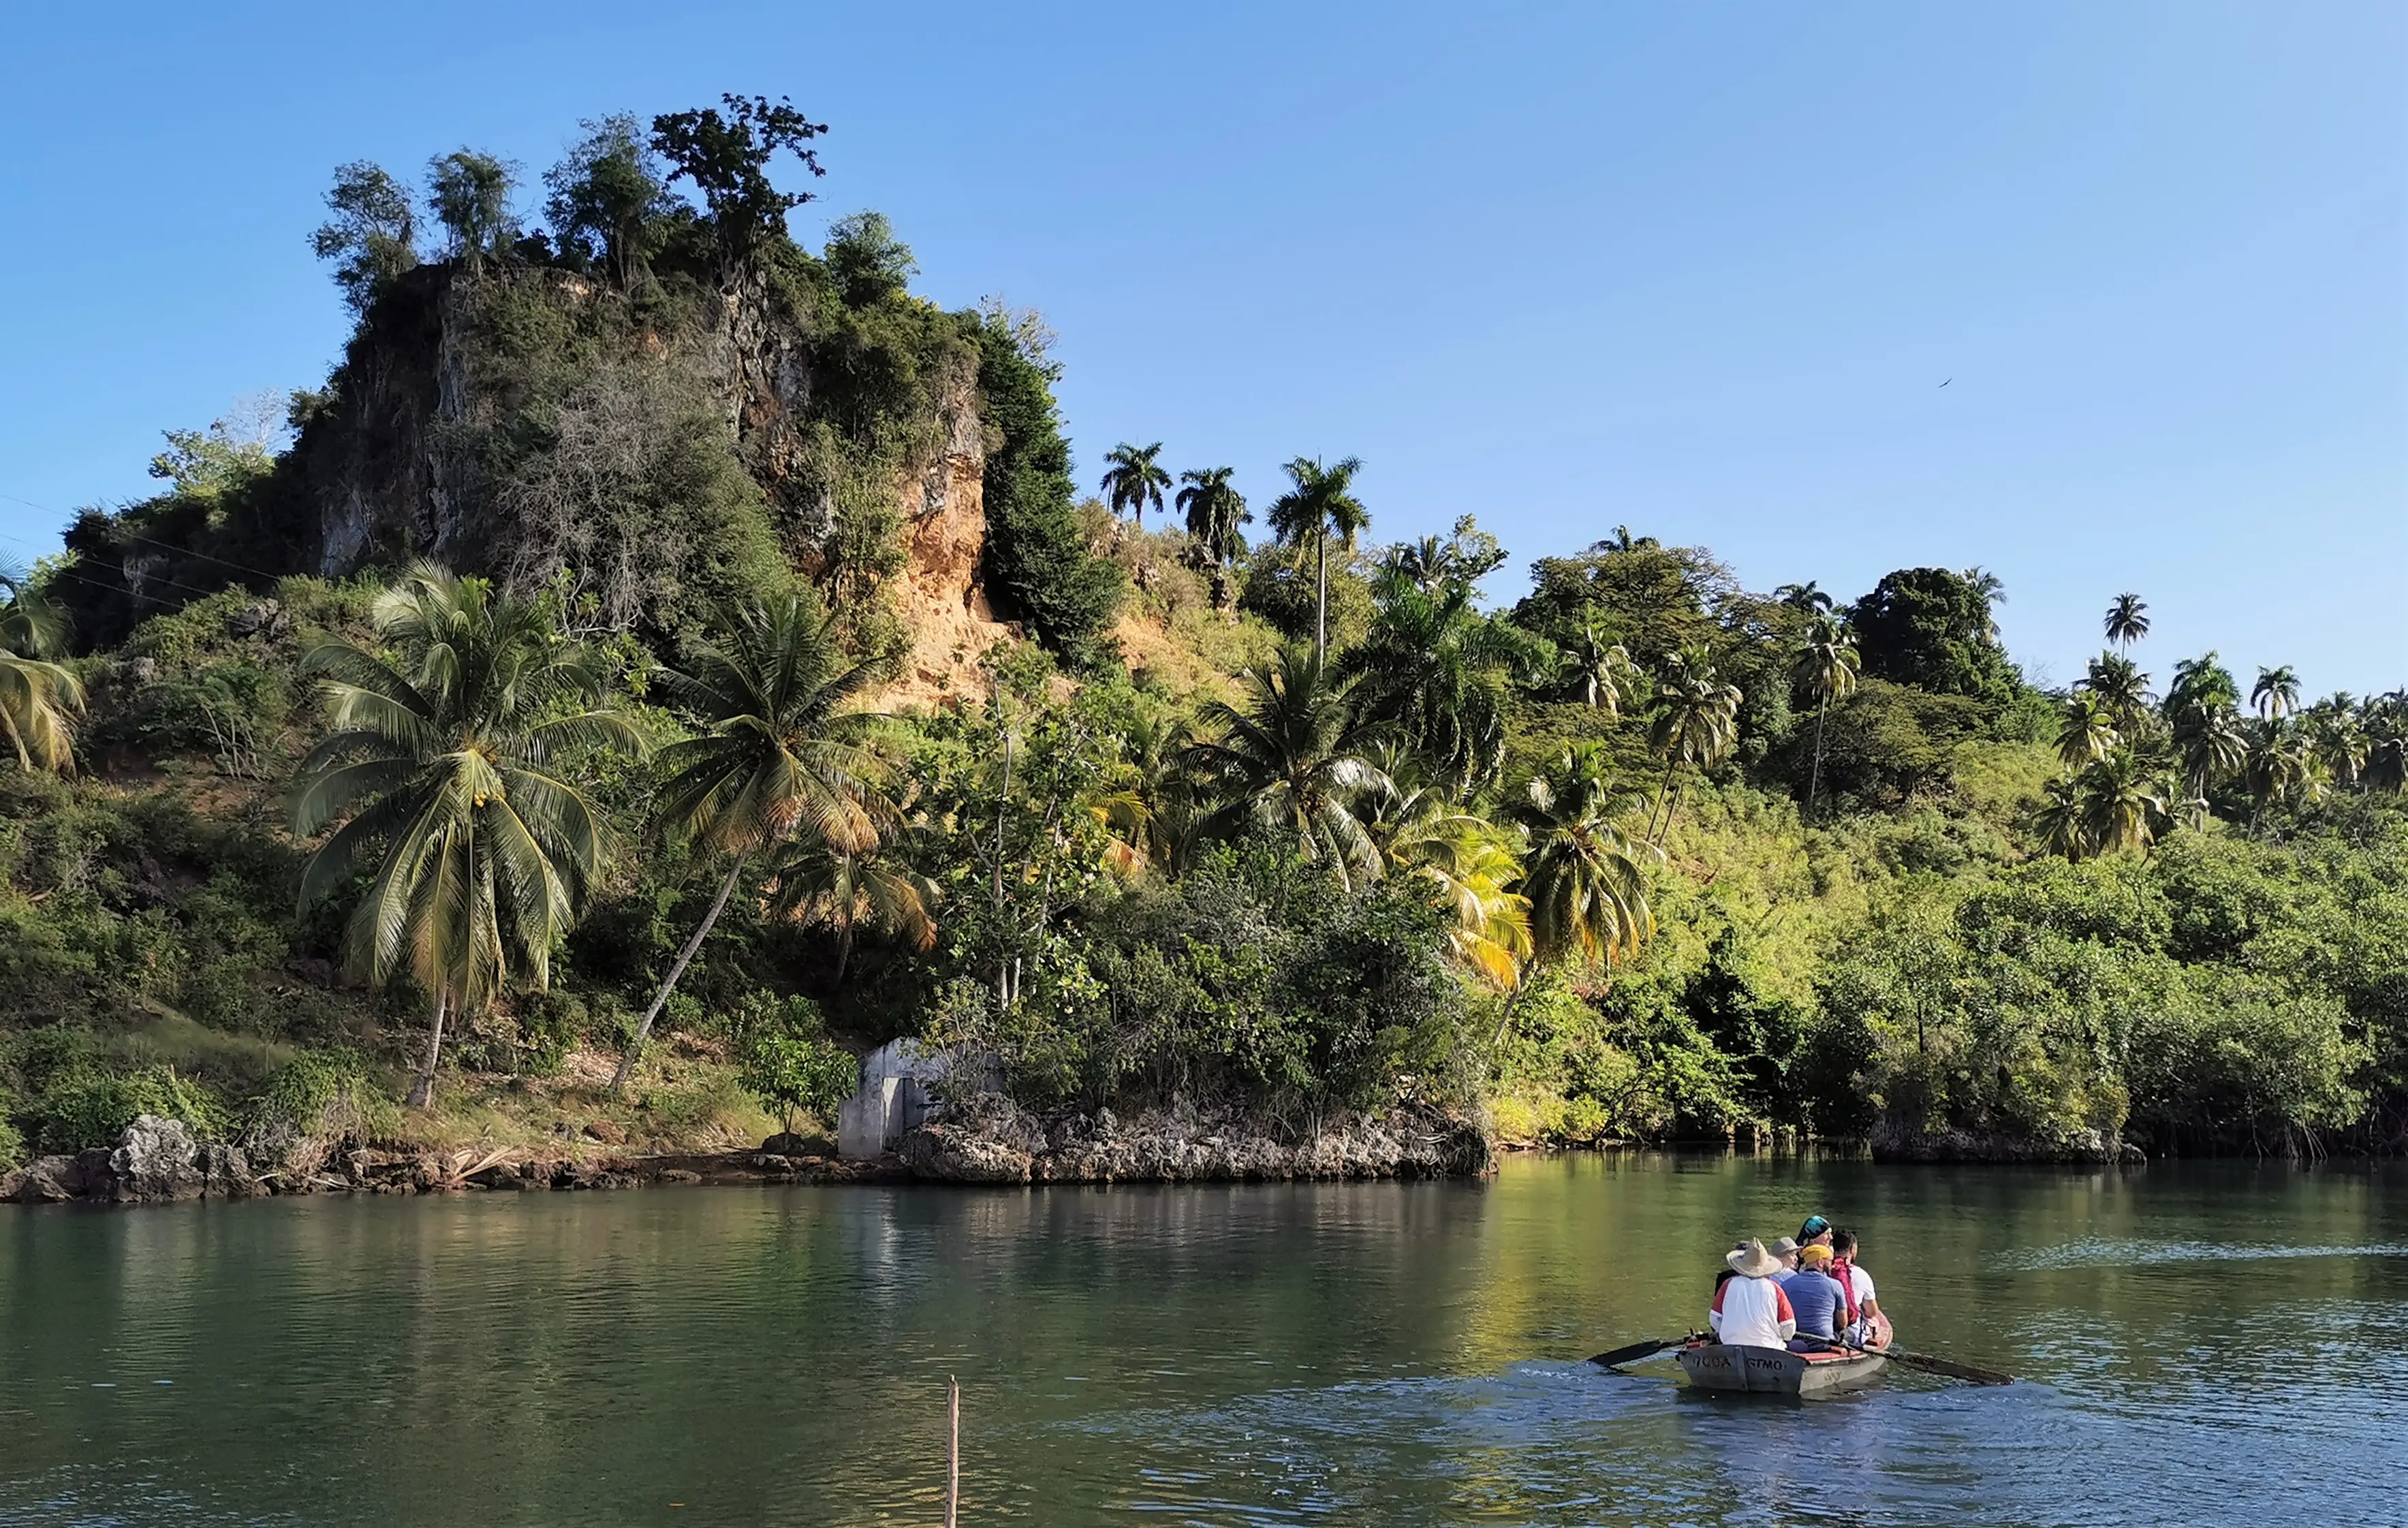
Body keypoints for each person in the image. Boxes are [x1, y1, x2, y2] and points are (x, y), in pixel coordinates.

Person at [1709, 1239, 1796, 1349]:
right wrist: (1782, 1337)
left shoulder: (1727, 1285)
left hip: (1731, 1346)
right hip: (1769, 1348)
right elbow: (1789, 1327)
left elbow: (1714, 1319)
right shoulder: (1775, 1289)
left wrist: (1726, 1333)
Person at [1776, 1243, 1847, 1351]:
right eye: (1830, 1260)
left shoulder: (1786, 1284)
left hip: (1796, 1343)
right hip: (1825, 1342)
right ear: (1820, 1261)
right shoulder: (1835, 1285)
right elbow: (1843, 1323)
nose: (1832, 1265)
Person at [1830, 1228, 1886, 1348]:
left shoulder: (1820, 1268)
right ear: (1853, 1250)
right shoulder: (1862, 1275)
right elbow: (1872, 1312)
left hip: (1823, 1331)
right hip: (1850, 1335)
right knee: (1873, 1322)